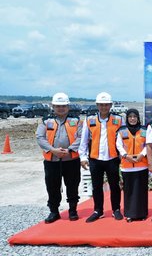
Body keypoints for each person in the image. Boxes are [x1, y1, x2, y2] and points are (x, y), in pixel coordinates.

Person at [36, 92, 82, 223]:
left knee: (72, 185)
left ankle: (73, 210)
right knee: (52, 186)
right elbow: (40, 137)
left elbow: (81, 137)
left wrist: (69, 149)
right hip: (52, 160)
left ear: (68, 106)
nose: (61, 108)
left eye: (63, 106)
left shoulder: (76, 121)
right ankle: (54, 212)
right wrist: (53, 150)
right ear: (53, 106)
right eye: (58, 106)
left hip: (71, 160)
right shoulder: (46, 121)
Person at [79, 92, 124, 223]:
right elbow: (84, 139)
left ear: (110, 105)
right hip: (95, 158)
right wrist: (83, 156)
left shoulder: (118, 120)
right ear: (97, 105)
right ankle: (98, 210)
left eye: (106, 105)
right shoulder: (90, 120)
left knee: (114, 185)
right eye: (101, 105)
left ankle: (116, 209)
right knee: (96, 186)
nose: (104, 107)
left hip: (113, 158)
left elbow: (123, 138)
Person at [116, 109, 148, 222]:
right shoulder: (121, 131)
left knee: (141, 191)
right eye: (130, 116)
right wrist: (125, 156)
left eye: (135, 116)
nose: (133, 118)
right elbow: (119, 145)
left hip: (142, 164)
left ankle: (142, 213)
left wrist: (142, 154)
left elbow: (148, 144)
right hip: (127, 166)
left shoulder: (144, 130)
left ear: (138, 118)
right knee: (129, 191)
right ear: (127, 118)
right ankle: (130, 214)